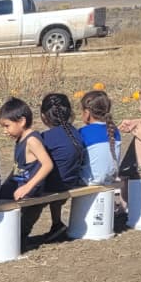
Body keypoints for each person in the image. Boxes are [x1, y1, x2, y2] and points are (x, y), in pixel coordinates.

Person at [35, 93, 86, 239]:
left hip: (54, 185)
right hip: (71, 181)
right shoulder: (75, 133)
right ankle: (56, 224)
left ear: (44, 117)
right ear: (70, 113)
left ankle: (22, 232)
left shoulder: (45, 138)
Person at [77, 90, 120, 187]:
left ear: (87, 113)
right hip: (110, 180)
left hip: (88, 181)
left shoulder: (83, 132)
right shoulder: (114, 130)